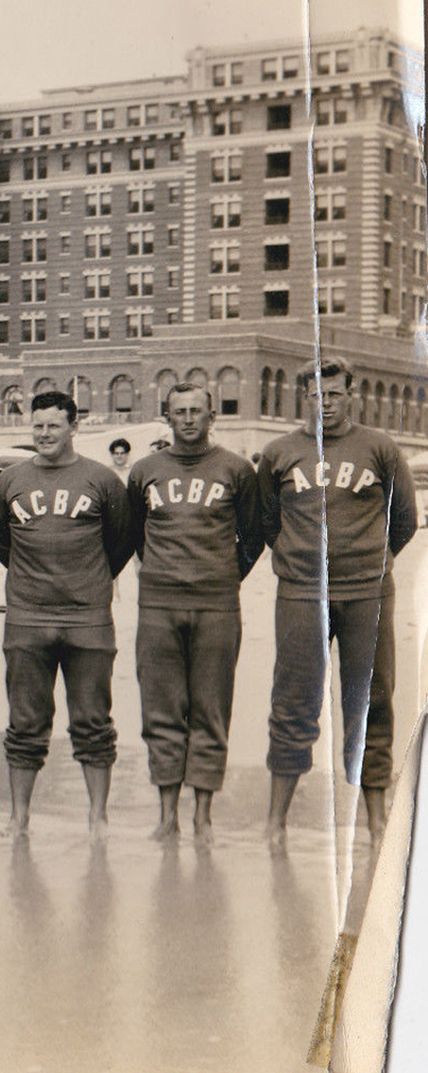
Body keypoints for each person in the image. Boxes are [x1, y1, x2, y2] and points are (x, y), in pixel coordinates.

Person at [258, 356, 417, 850]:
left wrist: (371, 560)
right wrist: (297, 558)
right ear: (302, 397)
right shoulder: (279, 452)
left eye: (335, 394)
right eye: (316, 395)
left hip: (366, 591)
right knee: (293, 701)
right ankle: (276, 822)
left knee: (371, 701)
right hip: (303, 591)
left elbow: (406, 519)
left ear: (351, 395)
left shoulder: (380, 447)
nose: (325, 404)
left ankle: (374, 816)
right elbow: (267, 520)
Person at [0, 390, 131, 840]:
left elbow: (122, 541)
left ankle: (98, 817)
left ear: (74, 427)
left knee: (93, 719)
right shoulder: (10, 481)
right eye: (37, 426)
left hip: (88, 618)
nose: (44, 434)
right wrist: (36, 581)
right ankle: (19, 817)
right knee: (25, 721)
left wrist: (86, 582)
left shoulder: (102, 480)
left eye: (53, 425)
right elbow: (0, 543)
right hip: (27, 618)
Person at [126, 384, 264, 845]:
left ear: (211, 417)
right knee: (161, 710)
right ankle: (168, 815)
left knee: (211, 708)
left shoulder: (237, 469)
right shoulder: (145, 470)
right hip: (159, 604)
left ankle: (204, 816)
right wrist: (166, 573)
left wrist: (220, 575)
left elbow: (252, 537)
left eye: (196, 412)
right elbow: (135, 535)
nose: (188, 419)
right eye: (179, 412)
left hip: (217, 603)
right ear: (166, 416)